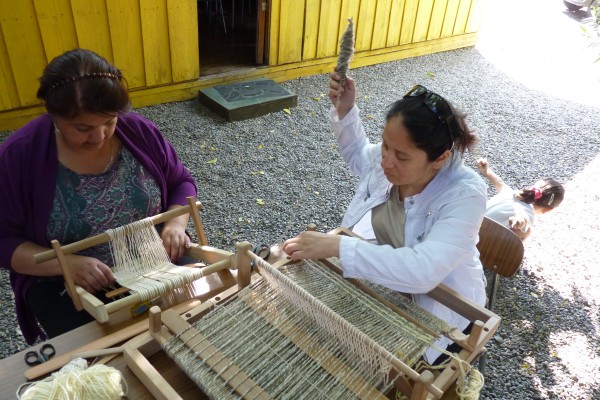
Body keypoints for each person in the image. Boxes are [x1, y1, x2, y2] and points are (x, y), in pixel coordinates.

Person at [283, 71, 488, 364]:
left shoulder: (465, 194)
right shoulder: (390, 159)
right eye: (385, 145)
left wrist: (337, 247)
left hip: (440, 310)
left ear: (440, 158)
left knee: (366, 364)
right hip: (391, 273)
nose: (386, 161)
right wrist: (346, 110)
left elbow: (423, 272)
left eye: (401, 156)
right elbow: (359, 155)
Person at [0, 49, 197, 345]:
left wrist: (175, 225)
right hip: (64, 284)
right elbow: (3, 240)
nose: (100, 136)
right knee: (106, 367)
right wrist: (66, 263)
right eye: (83, 128)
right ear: (54, 115)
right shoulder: (19, 155)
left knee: (194, 327)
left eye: (109, 121)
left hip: (154, 259)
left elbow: (181, 182)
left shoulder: (138, 131)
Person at [476, 158, 564, 240]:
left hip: (468, 222)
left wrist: (486, 171)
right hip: (475, 240)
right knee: (526, 232)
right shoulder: (528, 213)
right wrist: (518, 222)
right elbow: (523, 218)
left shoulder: (511, 193)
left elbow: (499, 182)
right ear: (547, 210)